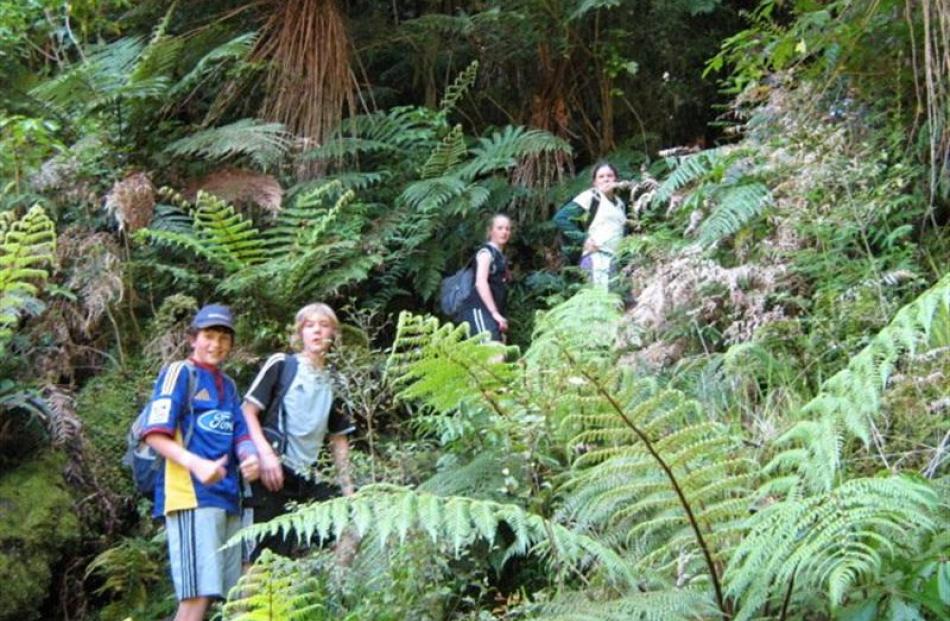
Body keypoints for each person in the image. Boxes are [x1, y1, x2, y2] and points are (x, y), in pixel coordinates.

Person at [140, 304, 260, 621]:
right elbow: (153, 434)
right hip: (190, 495)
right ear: (193, 338)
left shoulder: (229, 386)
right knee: (196, 597)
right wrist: (197, 464)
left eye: (223, 337)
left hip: (228, 497)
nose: (216, 344)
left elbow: (240, 433)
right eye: (208, 335)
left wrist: (250, 457)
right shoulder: (180, 373)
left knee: (225, 595)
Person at [241, 303, 356, 558]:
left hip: (310, 475)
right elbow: (248, 412)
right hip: (273, 474)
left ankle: (333, 594)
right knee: (265, 558)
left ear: (333, 335)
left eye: (324, 326)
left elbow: (338, 438)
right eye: (309, 325)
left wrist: (348, 488)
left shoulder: (336, 380)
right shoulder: (282, 365)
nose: (316, 331)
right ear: (300, 333)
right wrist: (266, 456)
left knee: (346, 530)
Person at [554, 161, 628, 289]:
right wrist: (584, 239)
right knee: (600, 302)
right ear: (595, 182)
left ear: (616, 179)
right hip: (596, 257)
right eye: (601, 176)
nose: (606, 179)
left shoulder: (620, 203)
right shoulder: (591, 196)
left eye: (610, 176)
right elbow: (561, 218)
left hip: (615, 259)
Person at [456, 214, 512, 342]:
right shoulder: (485, 253)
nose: (504, 232)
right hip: (480, 311)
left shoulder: (500, 256)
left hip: (494, 312)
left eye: (507, 229)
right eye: (500, 228)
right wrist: (494, 313)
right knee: (492, 354)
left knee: (498, 354)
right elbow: (481, 283)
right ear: (490, 230)